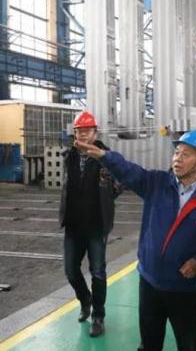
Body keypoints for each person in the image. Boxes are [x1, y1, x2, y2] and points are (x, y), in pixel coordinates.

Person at [75, 129, 196, 351]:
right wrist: (104, 156)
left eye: (186, 154)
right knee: (149, 342)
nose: (177, 158)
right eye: (176, 152)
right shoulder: (156, 183)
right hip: (150, 283)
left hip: (184, 289)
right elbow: (128, 171)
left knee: (188, 343)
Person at [59, 111, 122, 337]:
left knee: (98, 273)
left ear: (95, 133)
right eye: (79, 131)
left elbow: (120, 181)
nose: (83, 134)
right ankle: (85, 300)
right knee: (70, 270)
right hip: (73, 225)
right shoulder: (69, 156)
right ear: (75, 133)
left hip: (96, 225)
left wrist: (108, 195)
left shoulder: (106, 156)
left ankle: (98, 316)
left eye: (87, 130)